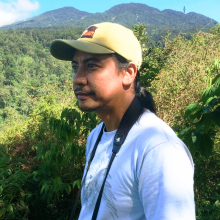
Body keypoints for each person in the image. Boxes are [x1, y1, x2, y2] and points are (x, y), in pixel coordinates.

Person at [50, 22, 195, 220]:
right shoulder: (96, 136)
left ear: (128, 73)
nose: (77, 78)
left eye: (92, 66)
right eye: (76, 67)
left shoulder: (159, 149)